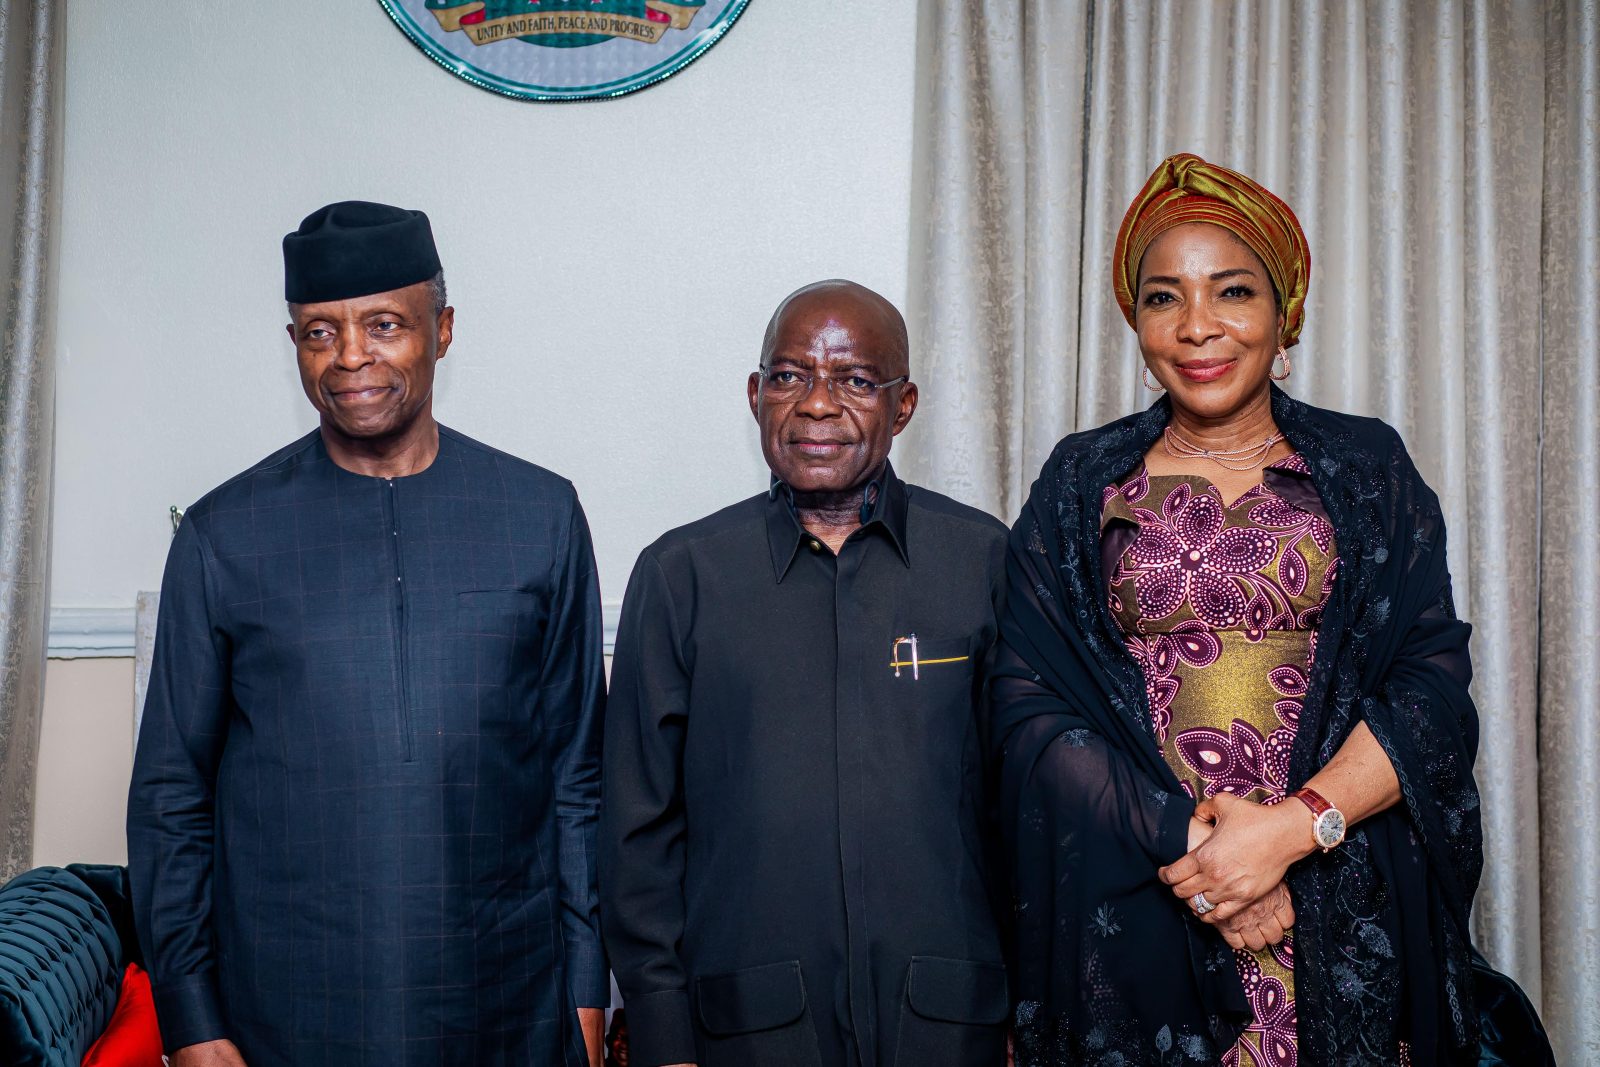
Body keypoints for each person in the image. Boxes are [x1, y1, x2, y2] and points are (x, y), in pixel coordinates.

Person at [990, 154, 1496, 1065]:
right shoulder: (1080, 480)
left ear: (1283, 311)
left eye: (1232, 291)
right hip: (1141, 892)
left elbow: (1430, 690)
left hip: (1338, 897)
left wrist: (1293, 830)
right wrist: (1201, 852)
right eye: (1163, 297)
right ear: (1134, 318)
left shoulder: (1366, 469)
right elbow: (1028, 704)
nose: (1197, 326)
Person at [127, 201, 608, 1067]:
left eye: (384, 324)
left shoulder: (539, 516)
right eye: (321, 332)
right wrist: (193, 1019)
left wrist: (584, 988)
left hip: (508, 1006)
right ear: (295, 345)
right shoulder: (222, 536)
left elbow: (578, 779)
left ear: (442, 330)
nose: (351, 356)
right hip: (284, 1016)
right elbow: (172, 798)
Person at [600, 280, 1011, 1067]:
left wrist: (1030, 1013)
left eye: (855, 380)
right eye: (789, 376)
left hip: (950, 1020)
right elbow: (637, 836)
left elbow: (1020, 810)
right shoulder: (683, 574)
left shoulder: (982, 560)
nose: (817, 404)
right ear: (755, 396)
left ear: (904, 405)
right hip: (744, 1029)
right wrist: (662, 1034)